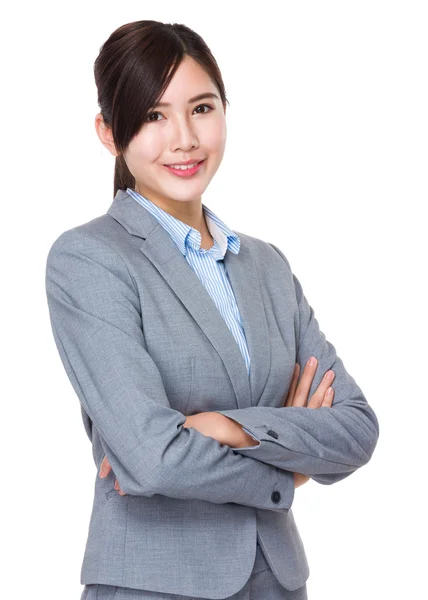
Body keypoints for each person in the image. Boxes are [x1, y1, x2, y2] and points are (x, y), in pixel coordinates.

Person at [45, 20, 380, 600]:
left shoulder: (267, 266)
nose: (184, 139)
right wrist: (293, 466)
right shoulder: (89, 259)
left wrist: (232, 428)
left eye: (201, 108)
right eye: (154, 116)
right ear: (108, 131)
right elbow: (153, 459)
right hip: (155, 585)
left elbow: (356, 429)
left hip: (277, 583)